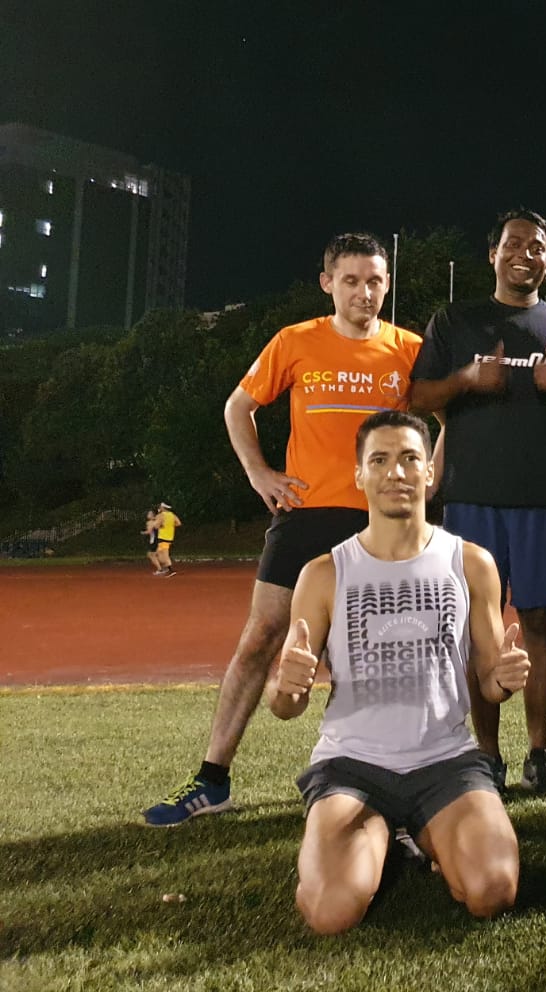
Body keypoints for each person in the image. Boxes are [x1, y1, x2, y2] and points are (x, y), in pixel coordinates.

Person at [142, 233, 421, 827]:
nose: (364, 292)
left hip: (377, 524)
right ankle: (211, 779)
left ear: (386, 284)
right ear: (327, 283)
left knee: (369, 654)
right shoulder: (294, 341)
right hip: (305, 515)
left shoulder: (409, 349)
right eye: (351, 280)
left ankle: (375, 782)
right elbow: (237, 407)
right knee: (261, 637)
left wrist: (428, 481)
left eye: (375, 280)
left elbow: (445, 416)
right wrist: (259, 473)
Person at [269, 410, 529, 934]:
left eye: (410, 458)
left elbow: (487, 684)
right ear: (359, 474)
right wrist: (286, 687)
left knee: (492, 891)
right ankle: (382, 837)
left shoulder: (471, 563)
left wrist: (501, 679)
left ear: (430, 471)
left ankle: (418, 833)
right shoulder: (324, 574)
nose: (396, 472)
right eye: (380, 460)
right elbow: (285, 706)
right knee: (330, 913)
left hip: (445, 761)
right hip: (352, 767)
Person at [409, 209, 546, 797]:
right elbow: (418, 394)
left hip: (543, 499)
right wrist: (466, 381)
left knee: (540, 622)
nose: (526, 253)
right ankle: (487, 757)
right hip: (473, 498)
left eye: (538, 246)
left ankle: (539, 756)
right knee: (480, 628)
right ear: (493, 253)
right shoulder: (456, 320)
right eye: (514, 243)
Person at [152, 502, 182, 576]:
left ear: (163, 508)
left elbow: (156, 526)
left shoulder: (161, 515)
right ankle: (165, 568)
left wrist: (158, 524)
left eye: (160, 507)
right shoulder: (172, 515)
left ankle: (170, 570)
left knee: (164, 554)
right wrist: (169, 525)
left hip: (163, 537)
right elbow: (178, 523)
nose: (159, 508)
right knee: (158, 553)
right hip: (170, 537)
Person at [144, 509, 161, 573]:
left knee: (151, 555)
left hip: (153, 541)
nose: (148, 515)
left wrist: (142, 533)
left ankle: (160, 569)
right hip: (158, 540)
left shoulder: (150, 522)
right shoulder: (157, 521)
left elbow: (149, 531)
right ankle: (163, 567)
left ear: (153, 515)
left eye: (149, 514)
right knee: (154, 554)